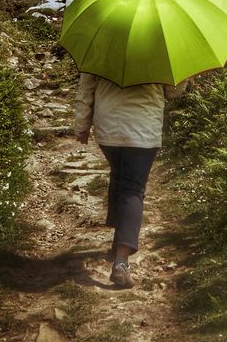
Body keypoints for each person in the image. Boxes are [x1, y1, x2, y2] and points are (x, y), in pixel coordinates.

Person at [74, 72, 190, 288]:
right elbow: (173, 92)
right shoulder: (161, 47)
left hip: (108, 129)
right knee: (132, 189)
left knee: (119, 174)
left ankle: (119, 237)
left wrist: (82, 123)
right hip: (143, 131)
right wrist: (186, 76)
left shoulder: (101, 42)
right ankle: (121, 262)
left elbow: (86, 88)